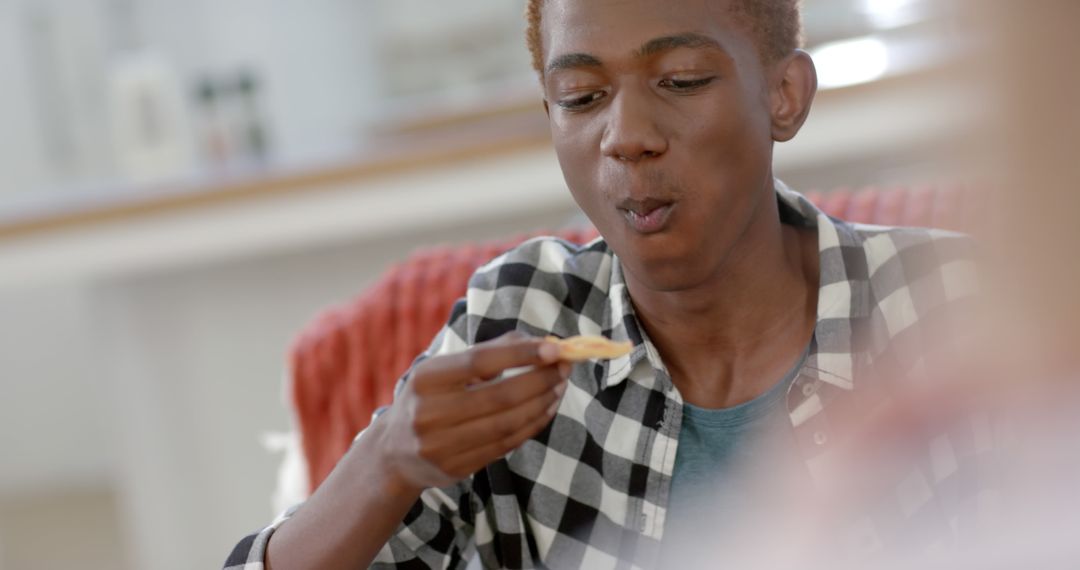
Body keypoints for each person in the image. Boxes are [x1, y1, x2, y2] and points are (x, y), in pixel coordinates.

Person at [226, 1, 981, 568]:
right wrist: (385, 461)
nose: (625, 136)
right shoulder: (521, 320)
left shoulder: (958, 307)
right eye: (582, 97)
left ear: (784, 94)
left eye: (680, 81)